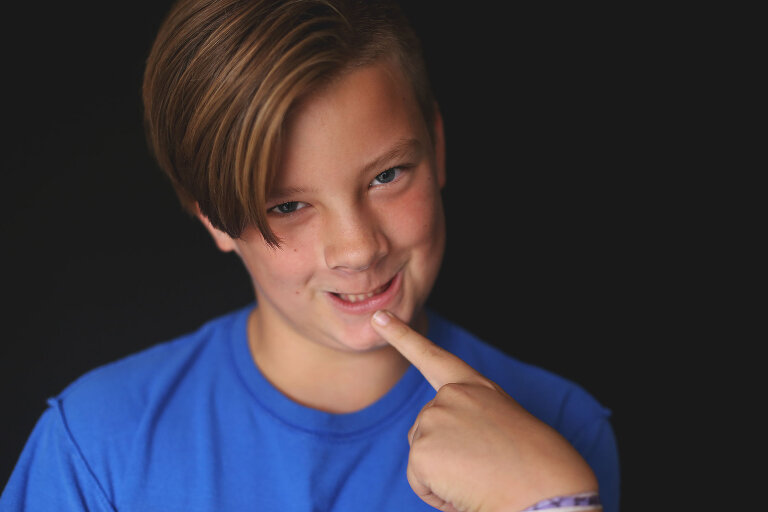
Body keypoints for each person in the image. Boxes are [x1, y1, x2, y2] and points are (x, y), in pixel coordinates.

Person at [0, 0, 619, 510]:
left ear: (437, 145)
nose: (357, 247)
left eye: (388, 175)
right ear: (215, 218)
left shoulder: (562, 428)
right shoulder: (97, 447)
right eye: (287, 207)